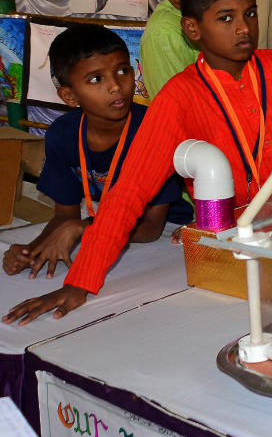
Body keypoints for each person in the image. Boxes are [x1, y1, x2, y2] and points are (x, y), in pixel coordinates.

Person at [4, 0, 272, 325]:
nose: (244, 28)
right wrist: (80, 284)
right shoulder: (177, 98)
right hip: (231, 245)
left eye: (250, 13)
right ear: (192, 29)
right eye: (225, 18)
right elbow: (129, 191)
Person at [2, 25, 191, 279]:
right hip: (104, 224)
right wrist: (32, 250)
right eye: (95, 79)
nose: (115, 86)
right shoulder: (62, 133)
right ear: (69, 95)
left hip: (171, 230)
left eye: (122, 71)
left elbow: (150, 229)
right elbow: (64, 215)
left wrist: (84, 229)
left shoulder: (155, 129)